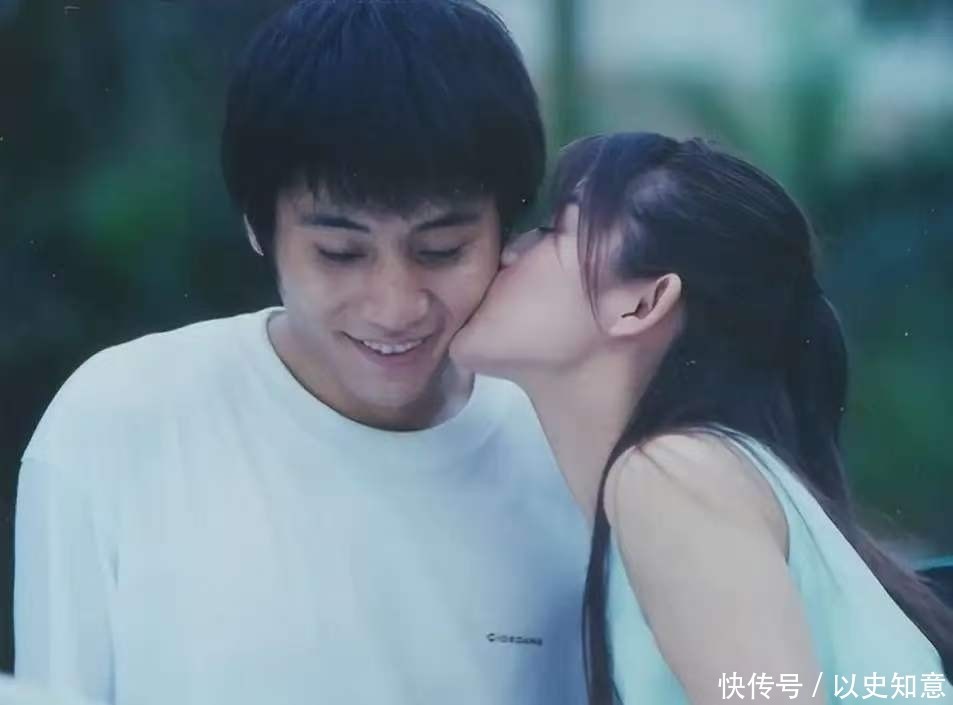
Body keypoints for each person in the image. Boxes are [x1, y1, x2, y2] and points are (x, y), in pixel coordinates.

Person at [13, 2, 588, 704]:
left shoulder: (566, 447)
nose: (395, 305)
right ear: (259, 227)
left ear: (507, 227)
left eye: (441, 250)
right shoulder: (120, 420)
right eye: (340, 253)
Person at [451, 132, 953, 704]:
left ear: (642, 304)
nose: (509, 253)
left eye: (553, 231)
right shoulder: (704, 472)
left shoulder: (668, 476)